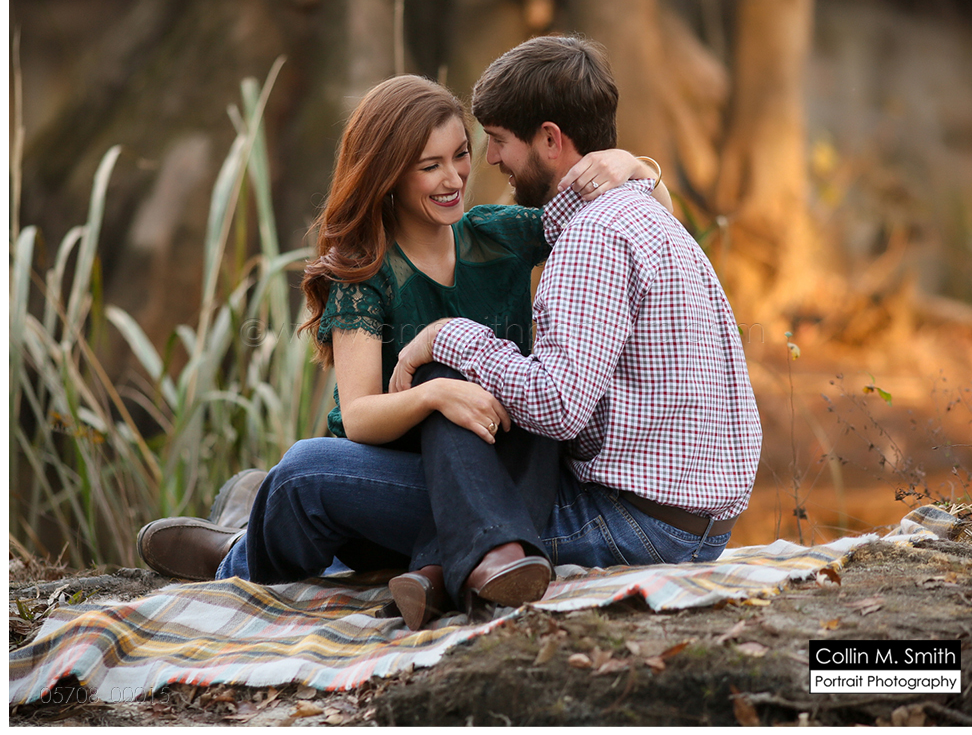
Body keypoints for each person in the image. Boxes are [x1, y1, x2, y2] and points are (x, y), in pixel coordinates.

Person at [136, 73, 670, 629]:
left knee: (518, 393)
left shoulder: (501, 235)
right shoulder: (366, 272)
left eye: (460, 155)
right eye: (429, 165)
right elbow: (360, 415)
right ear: (388, 174)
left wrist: (632, 167)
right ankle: (236, 556)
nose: (453, 178)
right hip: (403, 473)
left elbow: (646, 218)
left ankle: (287, 534)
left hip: (505, 468)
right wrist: (434, 395)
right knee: (302, 469)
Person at [390, 35, 762, 573]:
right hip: (700, 525)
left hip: (635, 525)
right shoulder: (645, 214)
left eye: (499, 140)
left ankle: (467, 561)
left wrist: (444, 335)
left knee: (345, 466)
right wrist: (637, 165)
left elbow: (558, 407)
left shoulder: (593, 237)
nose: (491, 158)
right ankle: (440, 572)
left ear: (549, 139)